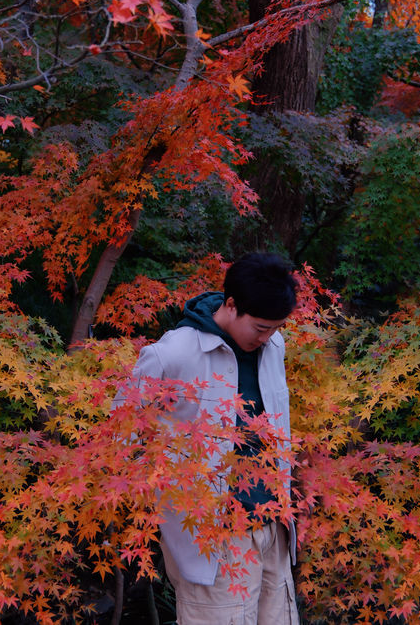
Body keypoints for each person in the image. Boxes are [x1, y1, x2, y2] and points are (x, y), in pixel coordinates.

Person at [128, 252, 300, 625]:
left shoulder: (274, 346)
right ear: (232, 304)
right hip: (214, 532)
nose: (268, 336)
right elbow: (124, 433)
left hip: (273, 525)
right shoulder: (173, 354)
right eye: (259, 327)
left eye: (275, 327)